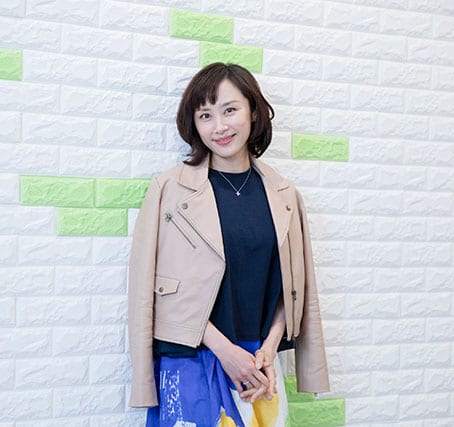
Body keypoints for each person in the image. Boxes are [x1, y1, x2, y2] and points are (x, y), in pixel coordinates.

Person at [128, 62, 330, 427]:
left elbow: (293, 289)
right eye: (205, 115)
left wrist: (268, 349)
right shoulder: (168, 191)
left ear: (253, 111)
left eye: (230, 110)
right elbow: (151, 291)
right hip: (191, 359)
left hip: (259, 367)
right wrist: (224, 350)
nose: (219, 126)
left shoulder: (284, 194)